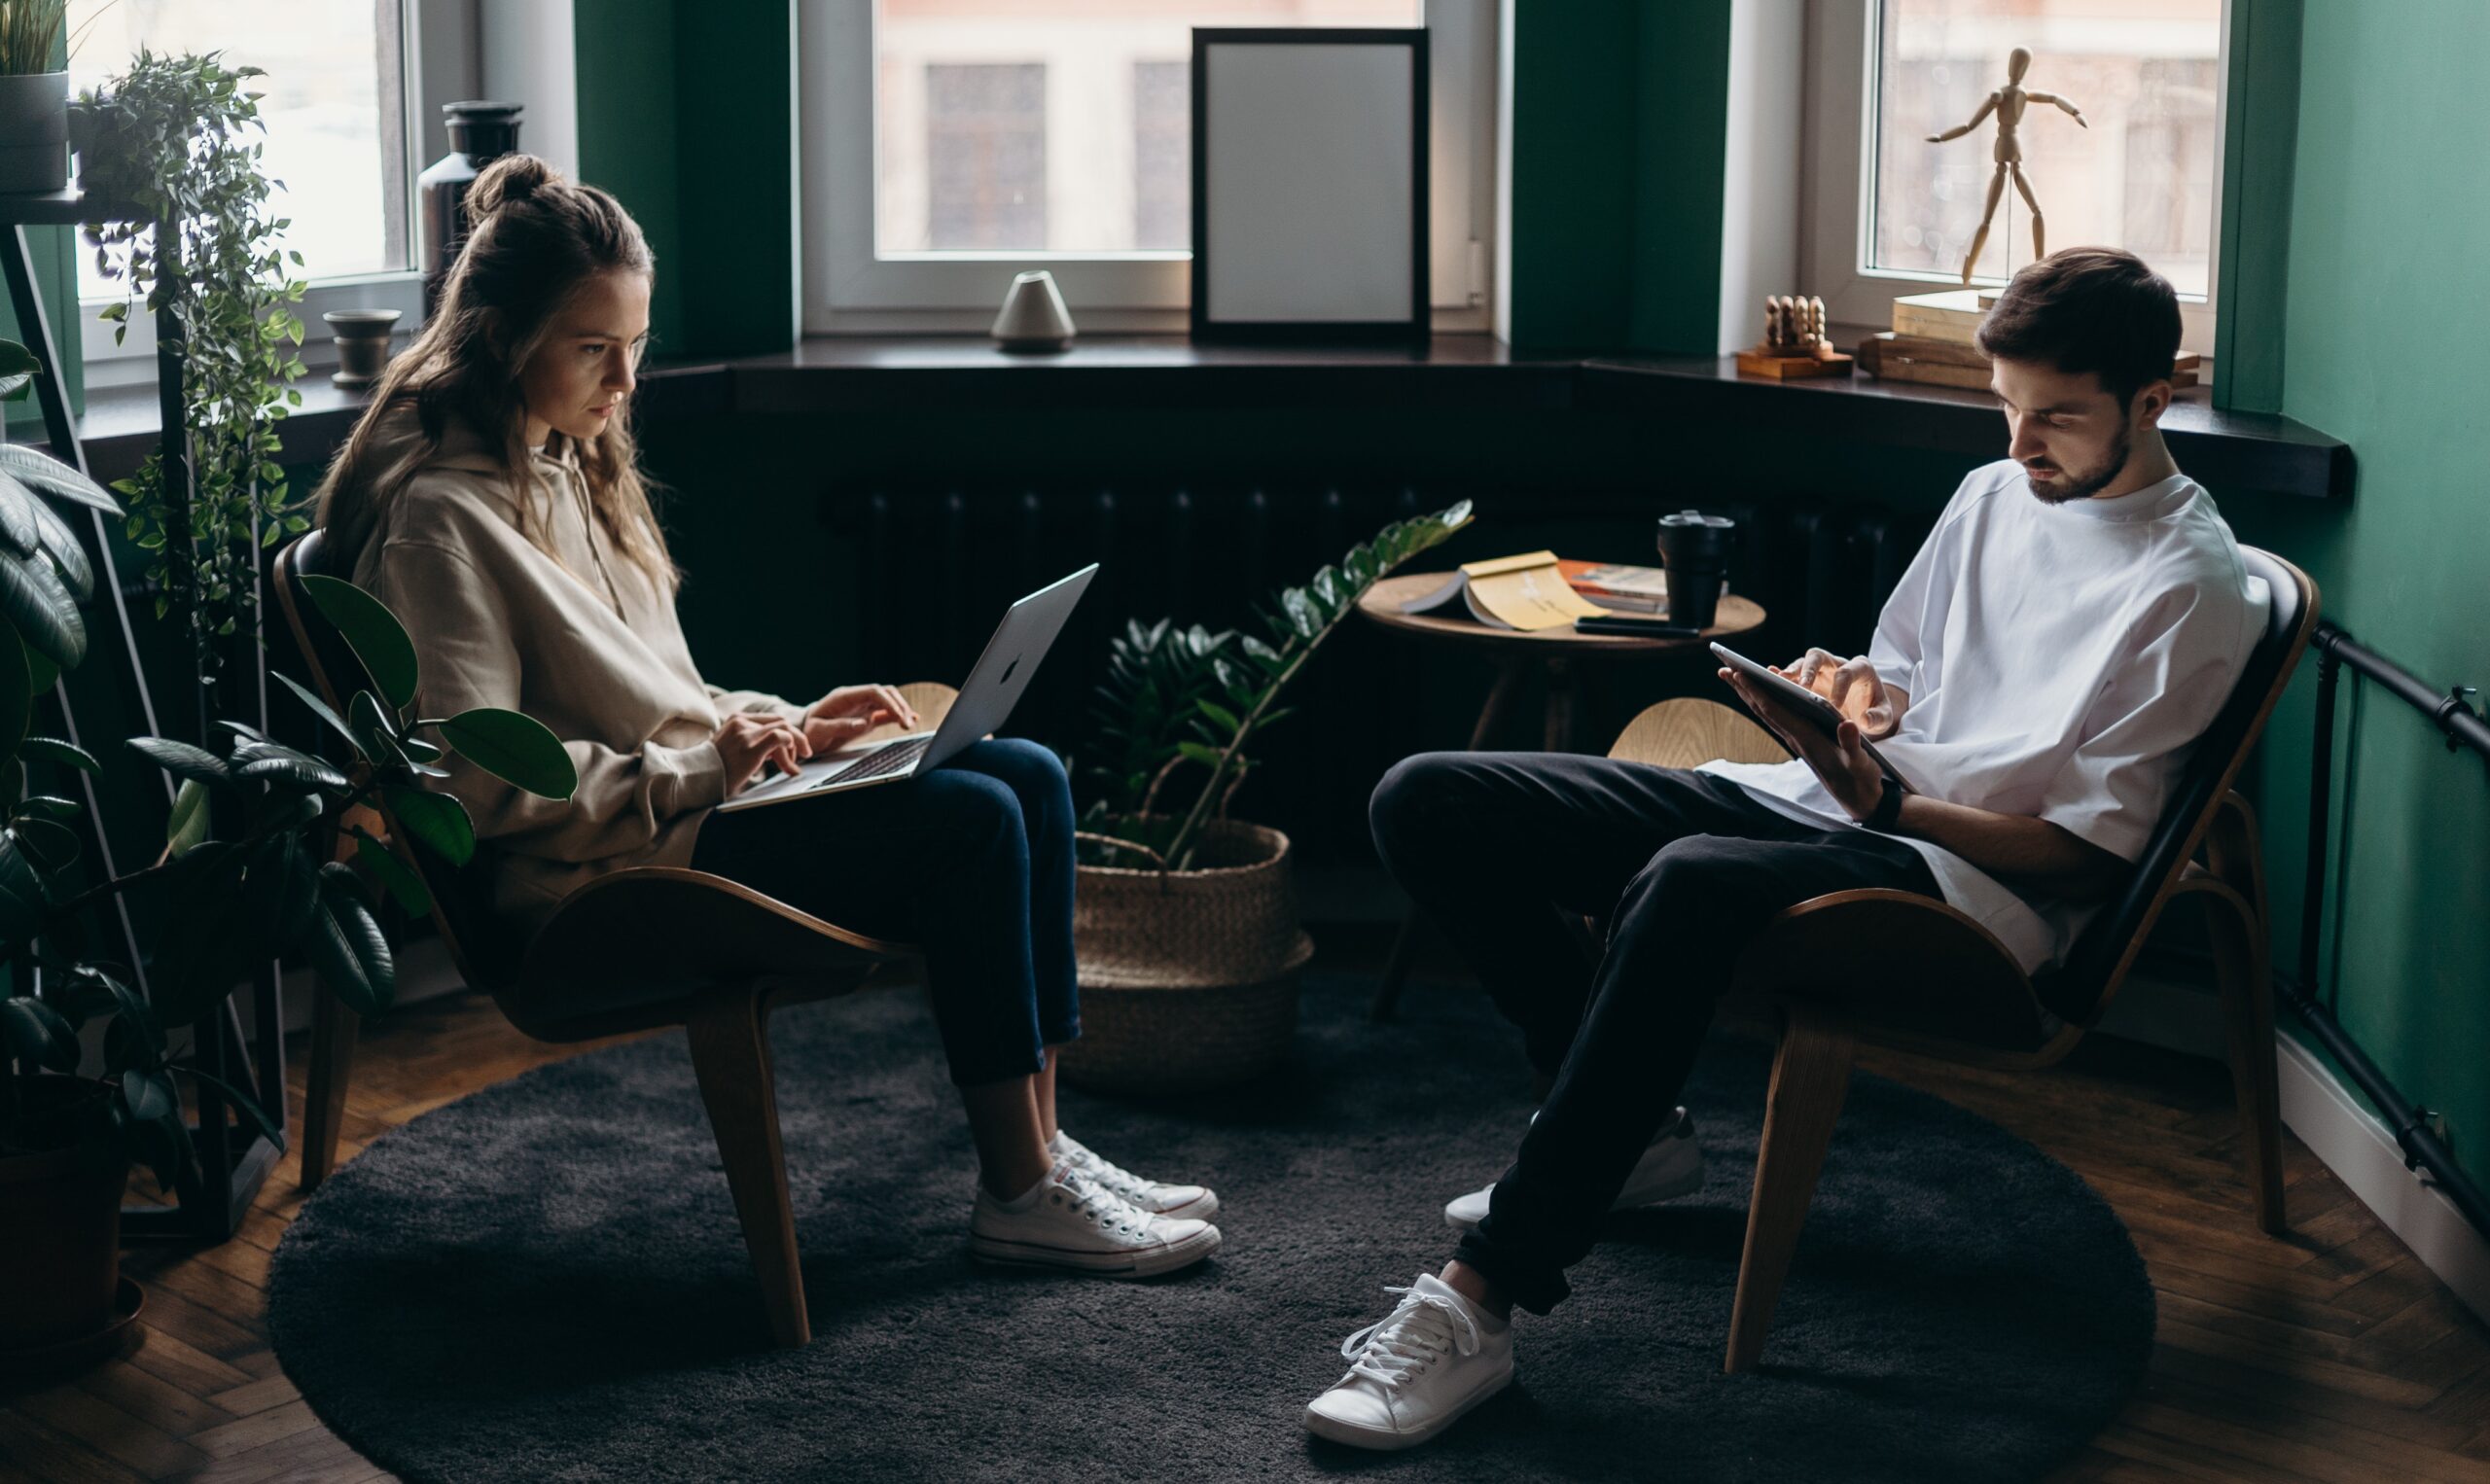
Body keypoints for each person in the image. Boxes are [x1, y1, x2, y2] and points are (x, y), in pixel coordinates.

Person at [1306, 246, 2266, 1449]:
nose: (2021, 448)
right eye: (2007, 410)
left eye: (2055, 420)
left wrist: (1887, 807)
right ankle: (1638, 1137)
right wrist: (1842, 697)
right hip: (1837, 804)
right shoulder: (1991, 494)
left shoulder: (2191, 583)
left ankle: (1480, 1297)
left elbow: (2086, 860)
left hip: (1959, 886)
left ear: (2152, 400)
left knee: (1685, 880)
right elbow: (1906, 674)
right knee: (1425, 798)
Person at [313, 154, 1219, 1280]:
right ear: (501, 337)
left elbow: (658, 696)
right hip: (611, 878)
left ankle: (1043, 1148)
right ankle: (1017, 1189)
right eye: (594, 348)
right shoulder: (441, 522)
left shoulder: (567, 464)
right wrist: (706, 768)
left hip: (689, 817)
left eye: (635, 344)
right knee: (973, 822)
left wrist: (792, 723)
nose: (625, 381)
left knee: (1025, 769)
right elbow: (479, 788)